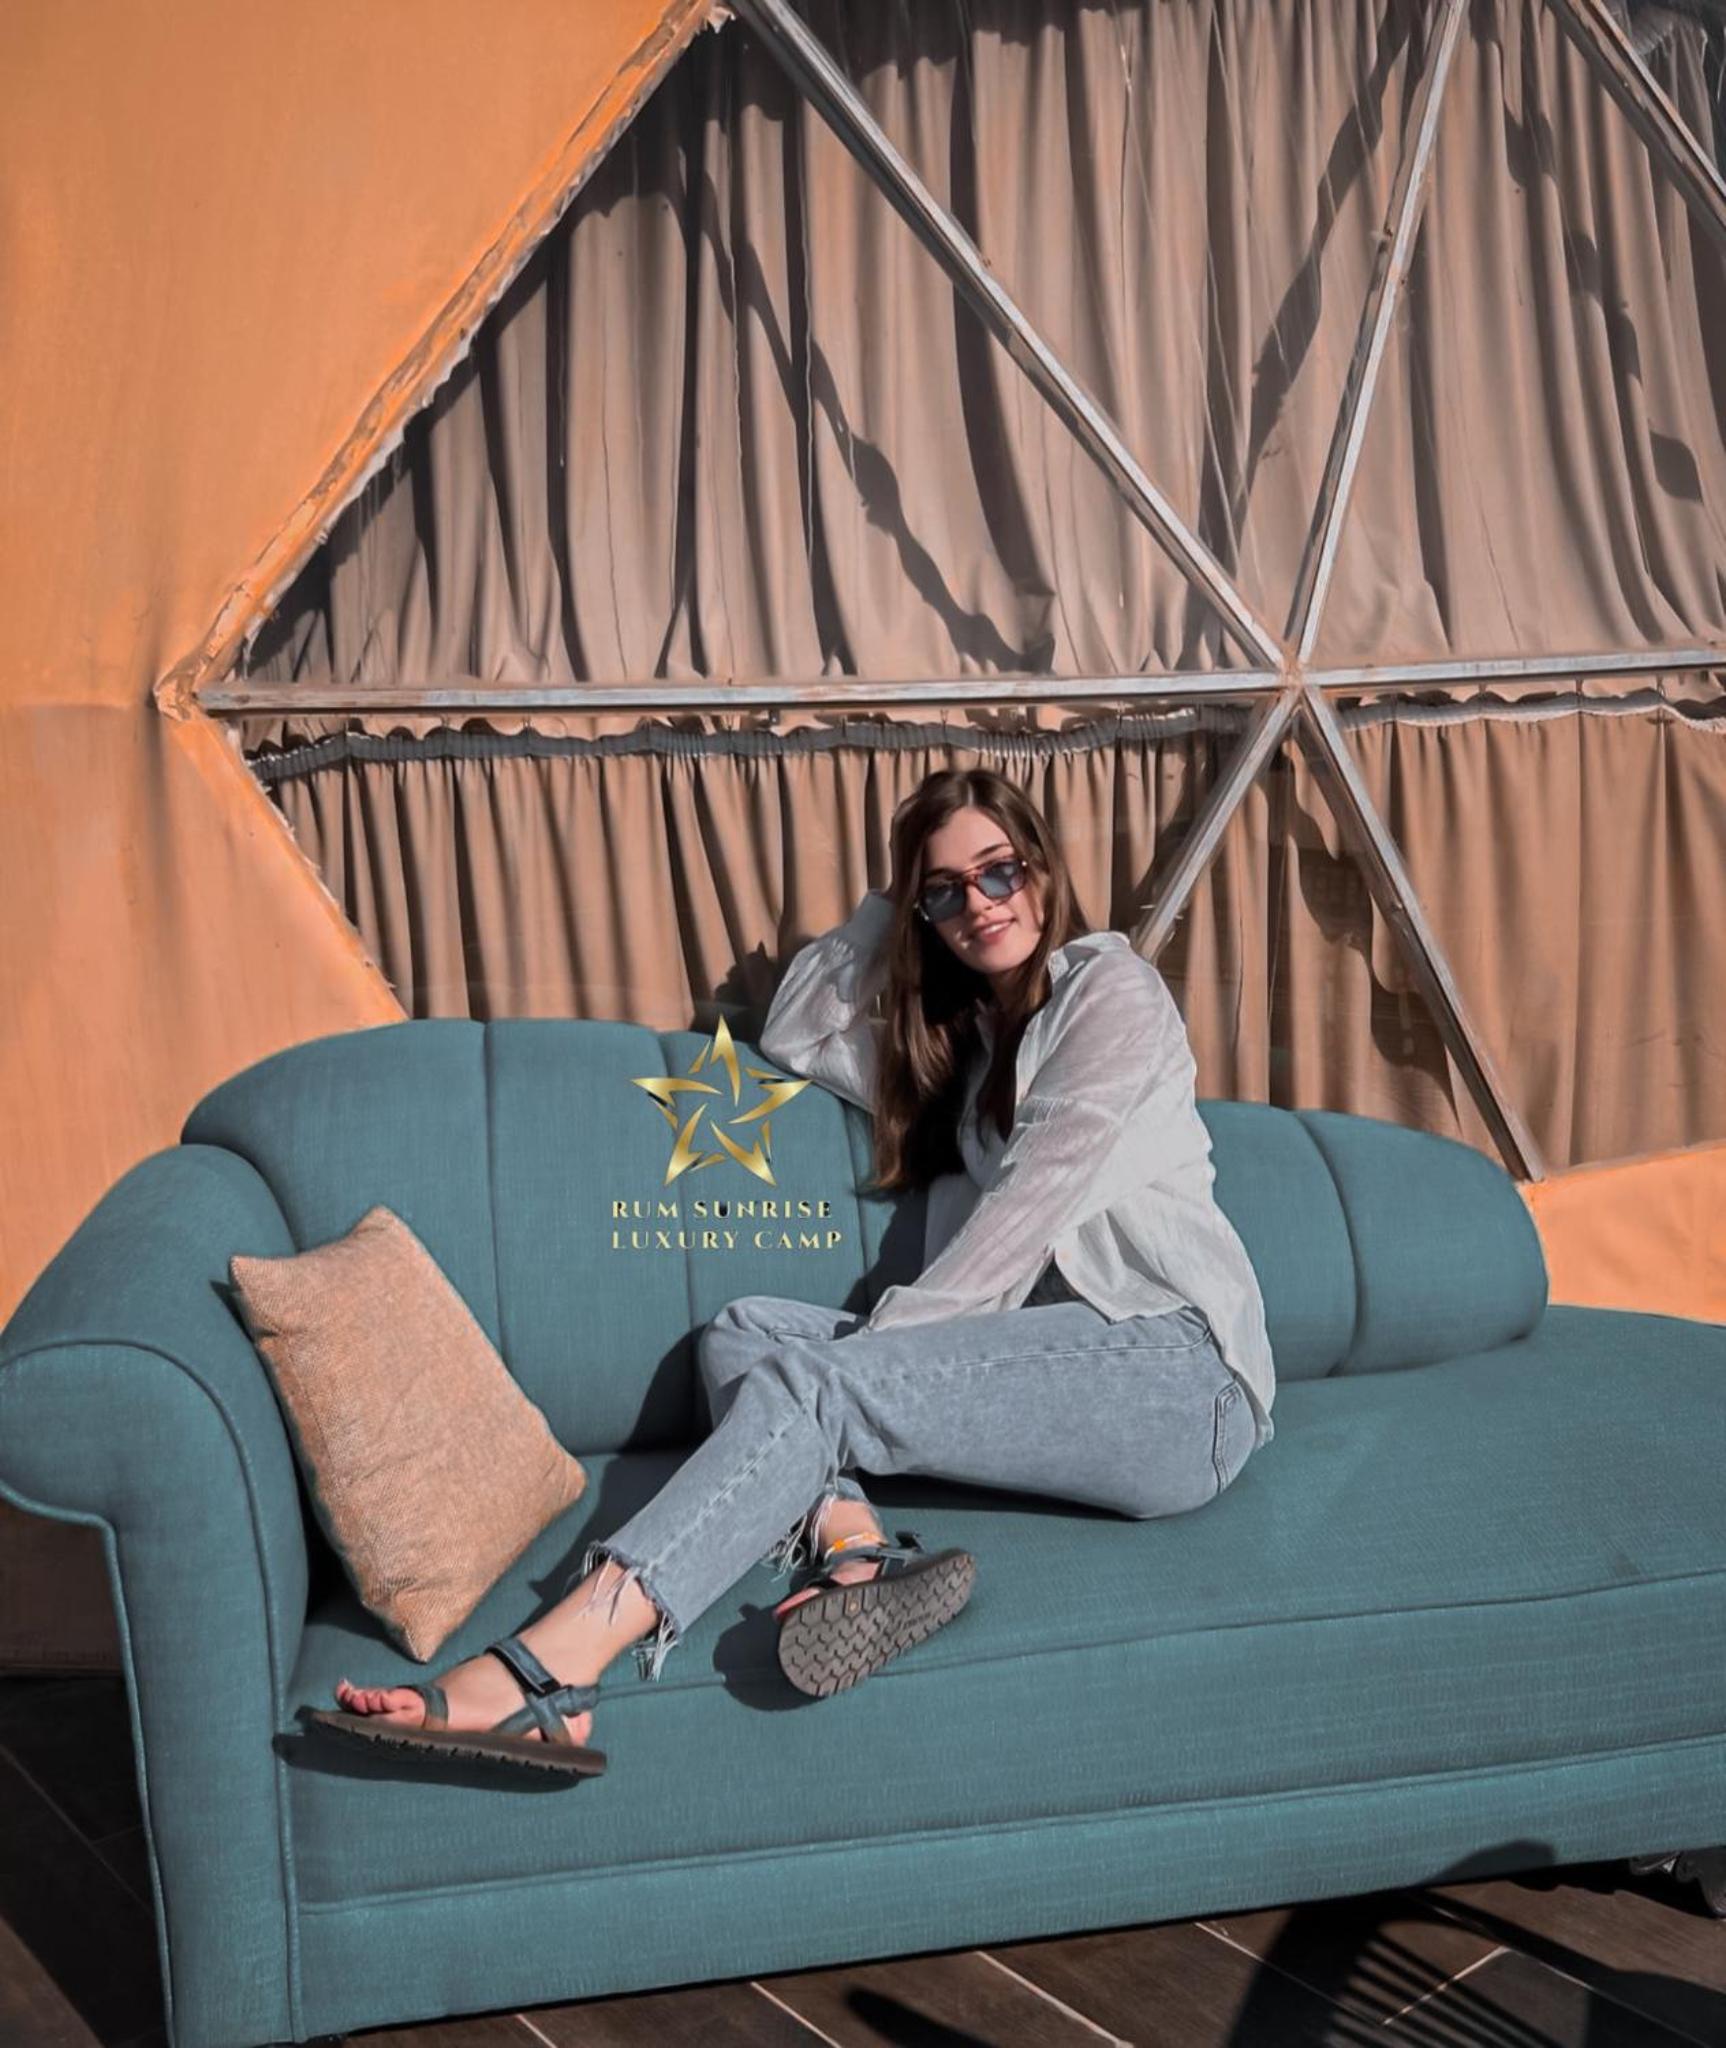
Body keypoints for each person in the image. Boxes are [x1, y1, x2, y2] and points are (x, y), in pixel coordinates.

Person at [317, 767, 1274, 1776]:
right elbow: (797, 1026)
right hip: (1044, 1368)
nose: (979, 905)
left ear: (1042, 867)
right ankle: (854, 1547)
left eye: (999, 871)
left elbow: (1030, 1205)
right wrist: (890, 908)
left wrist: (867, 1367)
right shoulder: (971, 1057)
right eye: (944, 891)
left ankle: (550, 1667)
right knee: (746, 1330)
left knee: (815, 1381)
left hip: (1178, 1378)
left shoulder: (1109, 991)